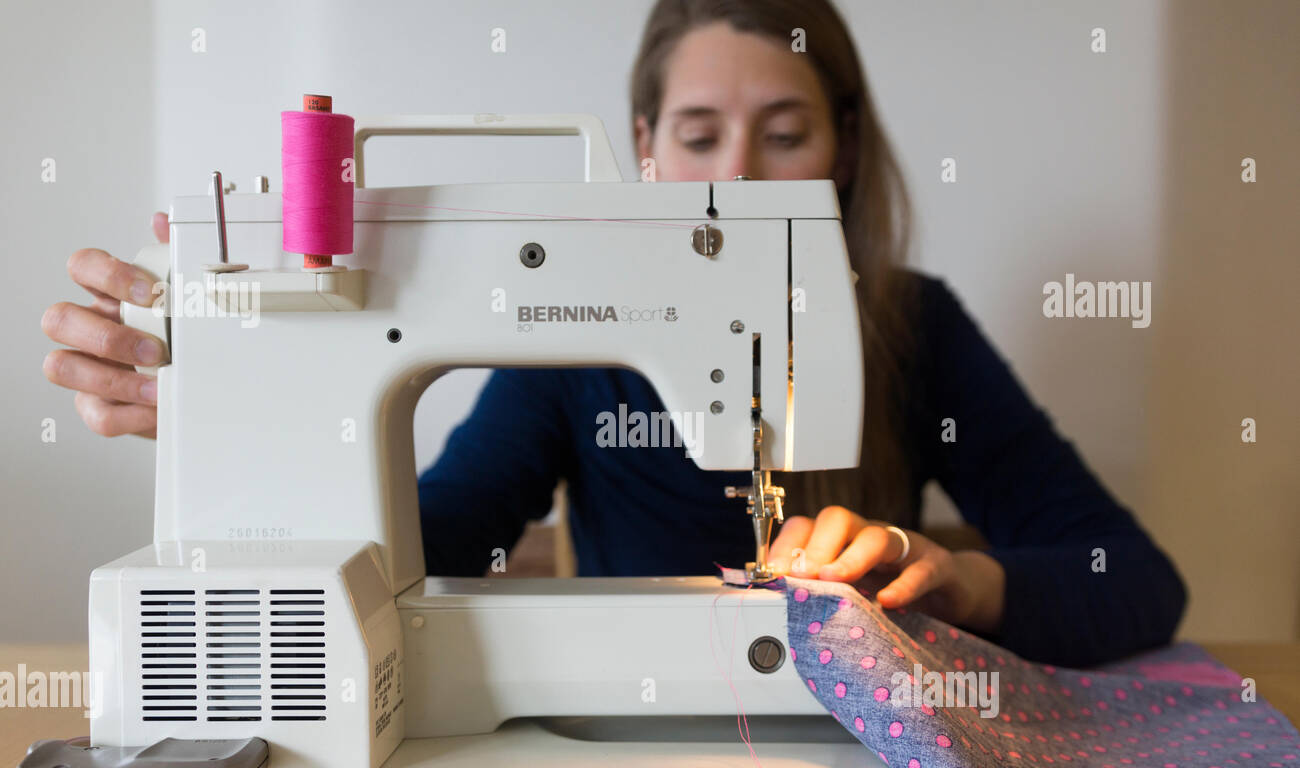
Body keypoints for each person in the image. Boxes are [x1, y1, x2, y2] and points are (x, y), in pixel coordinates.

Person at [39, 0, 1185, 668]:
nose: (736, 176)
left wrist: (958, 581)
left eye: (783, 135)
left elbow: (1132, 580)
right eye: (699, 135)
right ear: (644, 150)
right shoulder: (578, 345)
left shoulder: (914, 326)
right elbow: (434, 541)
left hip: (867, 752)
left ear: (840, 145)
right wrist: (243, 430)